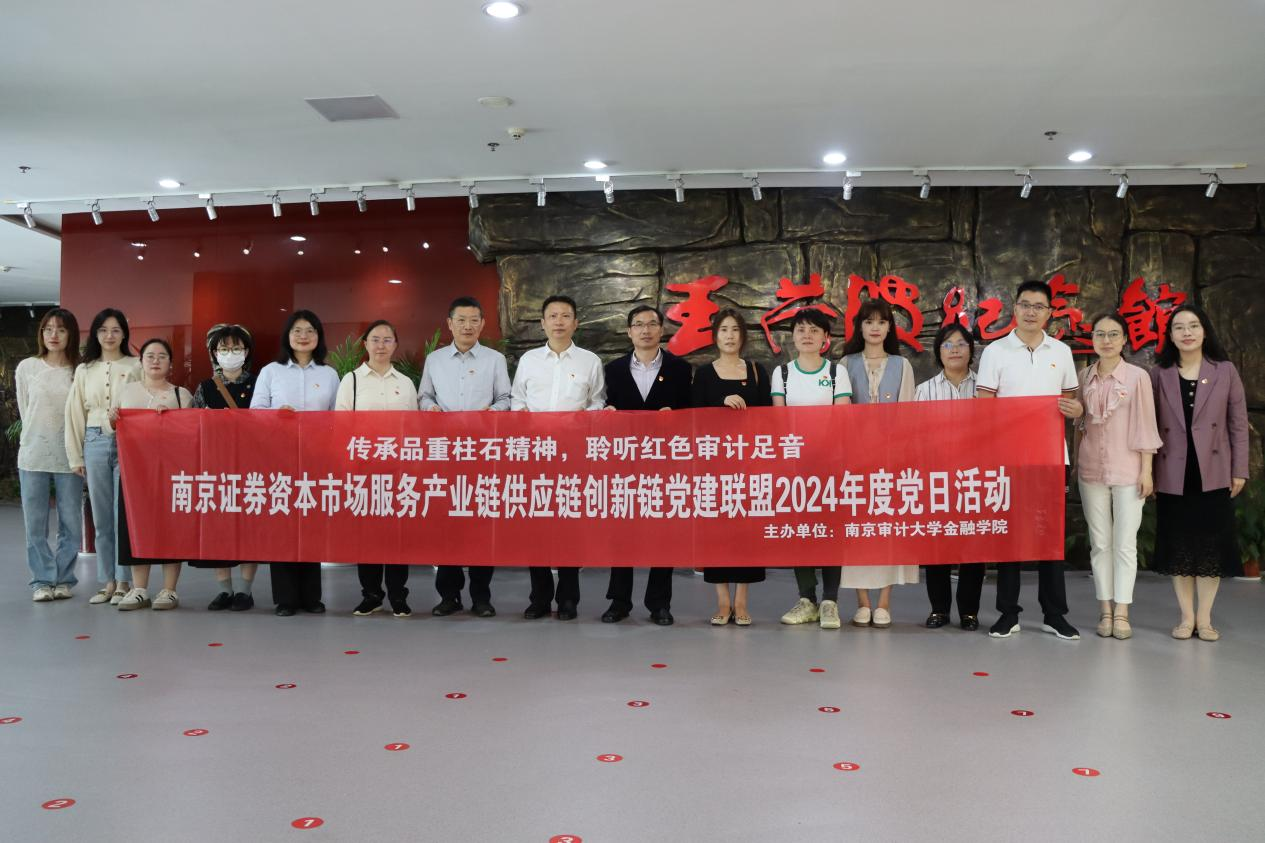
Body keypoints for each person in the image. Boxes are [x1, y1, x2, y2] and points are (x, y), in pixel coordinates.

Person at [976, 280, 1084, 640]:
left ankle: (1055, 614)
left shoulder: (1061, 352)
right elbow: (984, 406)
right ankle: (1008, 613)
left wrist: (1076, 409)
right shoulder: (996, 351)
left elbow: (1070, 399)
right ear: (1015, 308)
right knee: (1010, 536)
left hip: (1051, 457)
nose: (1031, 312)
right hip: (1009, 458)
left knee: (1050, 535)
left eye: (1039, 306)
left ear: (1050, 312)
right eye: (1025, 304)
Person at [1149, 304, 1249, 642]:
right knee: (1179, 547)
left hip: (1214, 471)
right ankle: (1186, 616)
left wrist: (1240, 469)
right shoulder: (1159, 374)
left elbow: (1238, 424)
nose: (1187, 332)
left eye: (1193, 326)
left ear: (1205, 331)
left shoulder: (1225, 370)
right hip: (1172, 471)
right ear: (1170, 335)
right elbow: (1149, 427)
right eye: (1179, 327)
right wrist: (1149, 472)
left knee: (1210, 548)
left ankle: (1204, 618)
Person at [510, 295, 606, 620]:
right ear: (543, 323)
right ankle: (539, 598)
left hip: (573, 454)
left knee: (569, 525)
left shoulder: (590, 361)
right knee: (536, 525)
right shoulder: (529, 360)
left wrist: (581, 418)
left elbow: (597, 401)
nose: (559, 321)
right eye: (553, 316)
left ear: (575, 323)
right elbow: (517, 399)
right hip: (535, 453)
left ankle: (568, 599)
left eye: (566, 316)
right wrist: (524, 418)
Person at [600, 304, 692, 626]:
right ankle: (619, 601)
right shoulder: (613, 369)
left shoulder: (680, 369)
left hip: (665, 462)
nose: (645, 330)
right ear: (629, 332)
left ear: (662, 330)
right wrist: (607, 414)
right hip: (624, 461)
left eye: (652, 324)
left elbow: (692, 414)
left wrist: (676, 417)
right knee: (622, 531)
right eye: (638, 324)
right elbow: (602, 408)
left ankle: (659, 603)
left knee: (662, 533)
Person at [419, 296, 511, 618]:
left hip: (482, 453)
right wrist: (431, 408)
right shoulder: (435, 360)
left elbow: (505, 398)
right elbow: (424, 396)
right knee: (447, 524)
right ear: (450, 324)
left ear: (483, 324)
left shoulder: (495, 359)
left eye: (474, 320)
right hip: (444, 453)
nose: (467, 326)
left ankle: (481, 597)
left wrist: (492, 412)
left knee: (481, 523)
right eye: (461, 320)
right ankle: (449, 595)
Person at [1075, 313, 1162, 640]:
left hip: (1128, 470)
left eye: (1113, 334)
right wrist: (1075, 462)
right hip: (1091, 469)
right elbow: (1080, 424)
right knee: (1100, 543)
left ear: (1125, 339)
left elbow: (1146, 424)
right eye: (1100, 334)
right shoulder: (1084, 376)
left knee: (1125, 543)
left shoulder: (1138, 377)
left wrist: (1147, 471)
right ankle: (1105, 610)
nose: (1107, 340)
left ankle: (1123, 611)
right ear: (1093, 339)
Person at [250, 309, 340, 616]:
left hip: (317, 458)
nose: (304, 336)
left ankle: (311, 597)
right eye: (297, 330)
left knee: (312, 525)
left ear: (318, 337)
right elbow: (255, 412)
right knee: (283, 525)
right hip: (280, 459)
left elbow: (338, 417)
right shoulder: (271, 371)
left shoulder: (329, 374)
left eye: (310, 331)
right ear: (287, 336)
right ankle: (286, 598)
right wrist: (277, 415)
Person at [840, 299, 919, 628]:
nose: (875, 327)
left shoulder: (902, 365)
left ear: (889, 328)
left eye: (882, 322)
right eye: (869, 321)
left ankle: (884, 602)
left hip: (891, 459)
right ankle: (862, 602)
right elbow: (840, 416)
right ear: (859, 327)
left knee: (888, 530)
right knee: (857, 530)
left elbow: (908, 416)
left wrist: (898, 455)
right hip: (855, 460)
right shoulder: (845, 364)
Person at [772, 309, 852, 630]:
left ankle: (830, 601)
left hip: (831, 463)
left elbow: (841, 419)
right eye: (801, 329)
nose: (807, 335)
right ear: (793, 336)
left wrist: (822, 450)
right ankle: (807, 599)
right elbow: (780, 422)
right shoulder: (782, 373)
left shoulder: (836, 372)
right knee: (800, 531)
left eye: (814, 330)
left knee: (831, 530)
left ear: (825, 338)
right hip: (795, 465)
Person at [692, 308, 772, 625]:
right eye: (724, 330)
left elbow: (769, 417)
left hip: (749, 462)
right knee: (718, 532)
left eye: (735, 330)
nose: (729, 336)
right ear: (715, 336)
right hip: (715, 464)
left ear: (743, 336)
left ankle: (741, 601)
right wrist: (720, 404)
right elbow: (694, 417)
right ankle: (723, 602)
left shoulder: (756, 370)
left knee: (746, 532)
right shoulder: (704, 374)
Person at [336, 319, 420, 618]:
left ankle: (398, 595)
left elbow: (414, 428)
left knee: (397, 535)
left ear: (395, 344)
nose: (381, 345)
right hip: (364, 471)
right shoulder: (351, 380)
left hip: (398, 471)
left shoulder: (405, 383)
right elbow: (341, 426)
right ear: (365, 344)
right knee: (367, 535)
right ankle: (371, 595)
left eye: (387, 339)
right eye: (375, 339)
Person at [65, 308, 141, 605]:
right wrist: (75, 456)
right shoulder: (85, 370)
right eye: (103, 330)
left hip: (128, 440)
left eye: (115, 330)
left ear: (124, 334)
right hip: (94, 439)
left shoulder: (135, 365)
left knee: (123, 513)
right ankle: (107, 581)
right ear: (95, 334)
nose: (109, 335)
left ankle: (124, 581)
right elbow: (74, 413)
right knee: (101, 515)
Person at [111, 338, 193, 611]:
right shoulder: (127, 391)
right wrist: (112, 418)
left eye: (162, 356)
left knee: (171, 526)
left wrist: (172, 419)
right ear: (141, 361)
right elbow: (113, 426)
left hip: (173, 473)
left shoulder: (182, 395)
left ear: (170, 363)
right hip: (135, 473)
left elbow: (192, 433)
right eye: (150, 356)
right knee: (135, 524)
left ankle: (169, 590)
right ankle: (139, 589)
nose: (155, 360)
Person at [914, 321, 986, 631]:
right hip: (937, 477)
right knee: (937, 544)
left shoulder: (986, 389)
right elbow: (914, 437)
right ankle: (939, 609)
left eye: (960, 344)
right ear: (938, 352)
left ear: (971, 350)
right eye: (947, 344)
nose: (954, 349)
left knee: (974, 544)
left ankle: (969, 611)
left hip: (977, 477)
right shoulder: (924, 390)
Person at [189, 323, 260, 611]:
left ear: (246, 352)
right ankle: (224, 589)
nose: (230, 353)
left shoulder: (258, 383)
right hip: (215, 464)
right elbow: (191, 426)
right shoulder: (205, 388)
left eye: (236, 348)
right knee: (219, 524)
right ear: (214, 353)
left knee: (248, 526)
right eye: (224, 349)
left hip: (251, 465)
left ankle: (245, 590)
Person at [17, 308, 83, 602]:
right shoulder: (27, 367)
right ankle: (42, 580)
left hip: (70, 456)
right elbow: (25, 409)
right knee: (35, 524)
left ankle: (64, 579)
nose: (53, 335)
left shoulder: (79, 371)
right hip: (33, 455)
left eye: (61, 329)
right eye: (48, 329)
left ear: (71, 334)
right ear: (41, 333)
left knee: (71, 522)